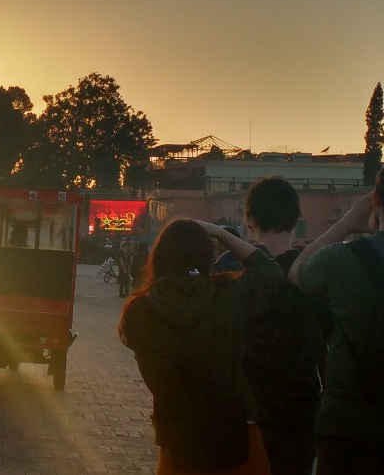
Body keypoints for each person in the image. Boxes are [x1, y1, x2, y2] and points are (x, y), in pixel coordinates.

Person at [118, 219, 281, 474]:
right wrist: (220, 233)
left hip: (176, 439)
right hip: (235, 435)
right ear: (208, 257)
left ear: (158, 257)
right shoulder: (228, 297)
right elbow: (270, 271)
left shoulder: (140, 311)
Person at [213, 178, 328, 475]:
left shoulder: (229, 266)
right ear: (296, 219)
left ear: (249, 219)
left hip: (244, 408)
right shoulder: (314, 269)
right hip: (300, 409)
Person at [288, 183, 384, 474]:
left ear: (375, 199)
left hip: (349, 424)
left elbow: (297, 271)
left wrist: (345, 224)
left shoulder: (341, 259)